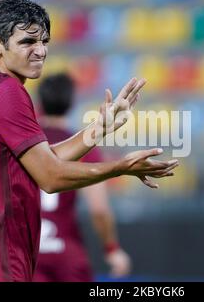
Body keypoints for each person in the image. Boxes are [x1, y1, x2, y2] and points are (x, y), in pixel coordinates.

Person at [0, 0, 178, 282]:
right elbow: (50, 177)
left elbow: (38, 161)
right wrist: (122, 167)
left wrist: (99, 129)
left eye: (44, 41)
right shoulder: (8, 93)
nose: (40, 51)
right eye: (28, 42)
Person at [33, 73, 131, 282]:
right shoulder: (82, 145)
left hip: (26, 252)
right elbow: (99, 209)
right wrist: (112, 249)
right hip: (66, 253)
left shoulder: (25, 145)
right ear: (71, 103)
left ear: (39, 102)